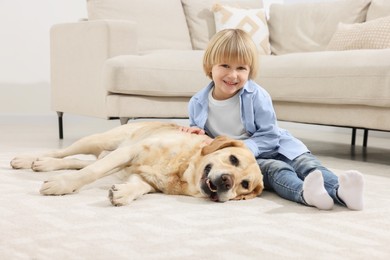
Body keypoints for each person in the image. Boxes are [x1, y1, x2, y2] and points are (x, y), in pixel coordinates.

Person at [182, 28, 364, 210]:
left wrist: (244, 148)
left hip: (279, 145)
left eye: (241, 68)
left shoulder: (257, 96)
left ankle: (342, 192)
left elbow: (269, 136)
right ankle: (306, 194)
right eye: (225, 66)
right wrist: (195, 134)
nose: (233, 75)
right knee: (277, 171)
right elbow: (202, 138)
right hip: (247, 160)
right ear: (210, 66)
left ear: (249, 71)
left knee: (308, 165)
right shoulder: (197, 103)